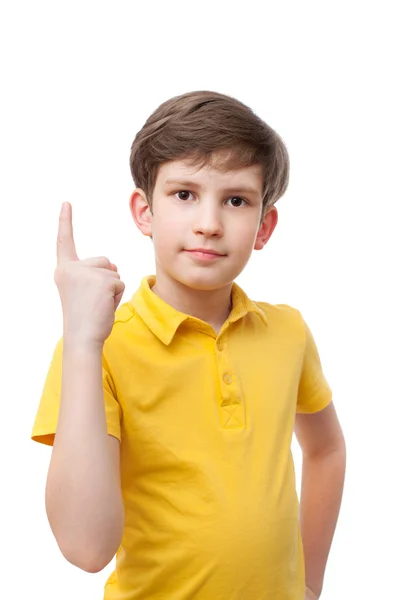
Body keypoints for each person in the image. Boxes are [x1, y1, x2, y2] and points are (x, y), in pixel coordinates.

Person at [31, 90, 346, 600]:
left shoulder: (288, 332)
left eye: (236, 200)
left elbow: (327, 449)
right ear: (144, 211)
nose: (208, 222)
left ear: (264, 226)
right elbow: (87, 549)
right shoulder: (98, 350)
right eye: (184, 194)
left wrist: (309, 583)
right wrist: (84, 345)